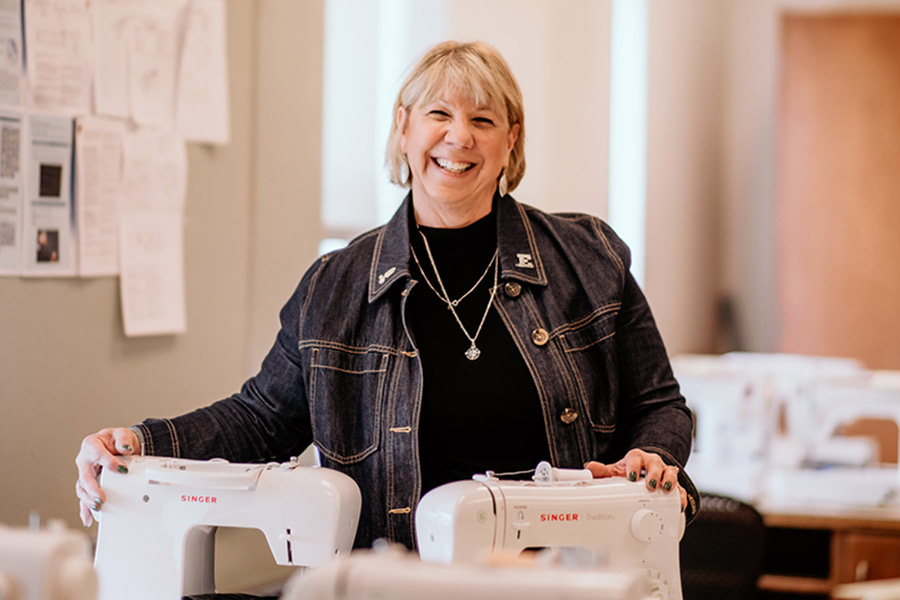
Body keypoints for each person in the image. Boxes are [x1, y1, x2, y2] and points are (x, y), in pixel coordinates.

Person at [76, 40, 699, 550]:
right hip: (398, 582)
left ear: (511, 141)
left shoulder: (586, 257)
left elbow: (661, 403)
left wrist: (652, 454)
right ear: (403, 129)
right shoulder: (333, 287)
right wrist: (142, 441)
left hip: (565, 577)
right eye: (439, 115)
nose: (460, 138)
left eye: (483, 120)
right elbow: (261, 420)